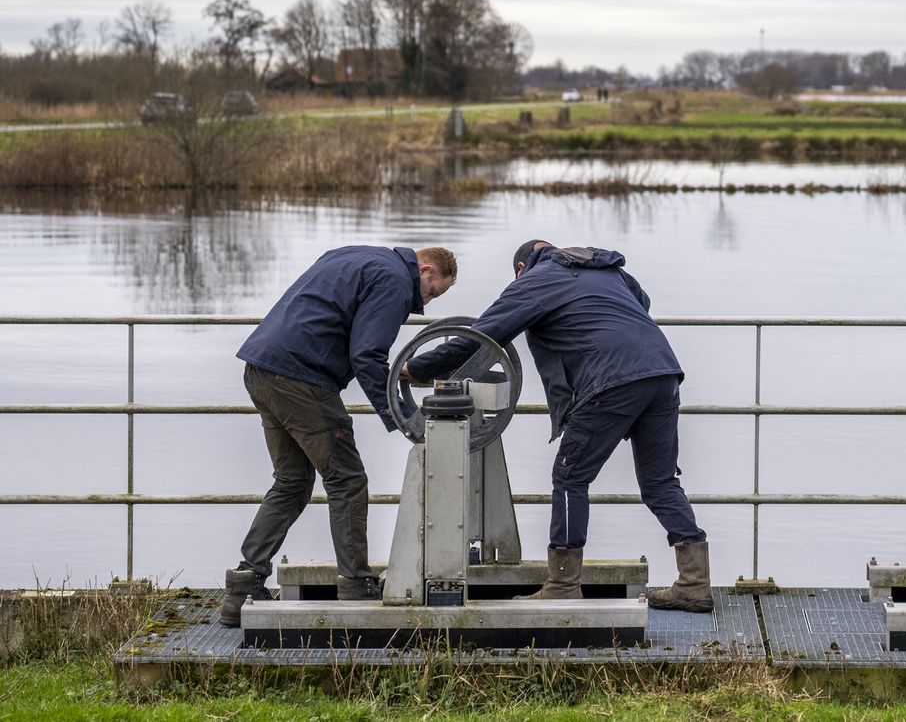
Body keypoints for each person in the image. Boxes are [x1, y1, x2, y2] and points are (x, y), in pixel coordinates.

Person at [404, 240, 712, 613]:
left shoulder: (535, 281)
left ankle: (564, 584)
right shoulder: (605, 269)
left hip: (610, 382)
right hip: (662, 373)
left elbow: (482, 335)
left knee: (570, 479)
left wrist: (416, 369)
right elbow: (641, 302)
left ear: (521, 269)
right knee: (660, 482)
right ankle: (694, 584)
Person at [218, 245, 458, 627]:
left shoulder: (353, 255)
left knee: (293, 481)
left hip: (262, 368)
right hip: (300, 378)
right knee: (347, 479)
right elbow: (367, 355)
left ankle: (242, 587)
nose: (424, 303)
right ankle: (356, 582)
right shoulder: (396, 280)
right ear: (425, 268)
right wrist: (401, 416)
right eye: (432, 291)